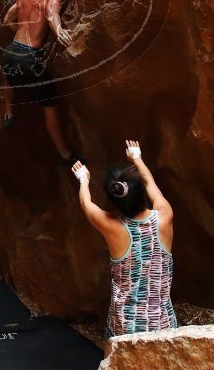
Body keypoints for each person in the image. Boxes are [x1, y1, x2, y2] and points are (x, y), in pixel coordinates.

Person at [71, 140, 177, 347]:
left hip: (124, 325)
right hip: (162, 323)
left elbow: (86, 203)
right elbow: (150, 184)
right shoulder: (165, 216)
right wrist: (137, 159)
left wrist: (83, 178)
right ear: (139, 193)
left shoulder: (113, 226)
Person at [0, 0, 75, 164]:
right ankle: (64, 153)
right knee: (50, 106)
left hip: (11, 51)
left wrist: (18, 35)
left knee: (8, 76)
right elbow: (51, 15)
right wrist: (59, 31)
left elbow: (7, 18)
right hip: (29, 57)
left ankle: (8, 113)